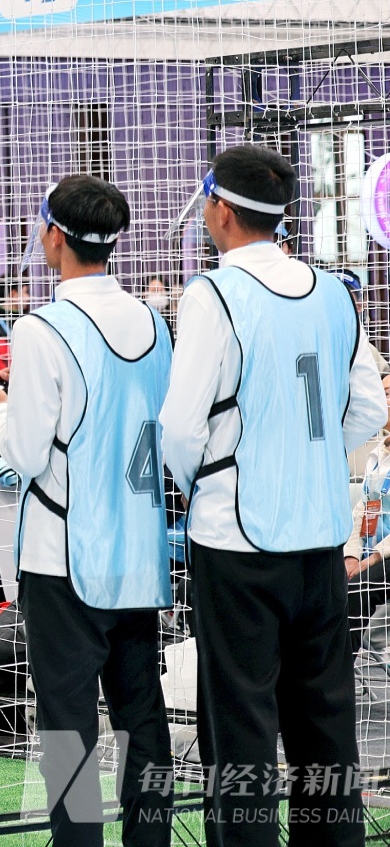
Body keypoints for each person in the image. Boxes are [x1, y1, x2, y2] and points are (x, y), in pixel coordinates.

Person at [159, 144, 387, 844]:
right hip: (319, 538)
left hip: (237, 538)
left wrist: (207, 484)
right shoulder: (333, 293)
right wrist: (305, 457)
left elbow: (180, 427)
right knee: (325, 723)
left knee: (242, 727)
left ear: (220, 211)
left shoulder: (212, 294)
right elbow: (367, 409)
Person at [0, 176, 174, 847]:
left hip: (64, 556)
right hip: (137, 551)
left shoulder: (40, 327)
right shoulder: (152, 322)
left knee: (67, 727)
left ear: (53, 235)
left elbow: (27, 453)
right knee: (143, 719)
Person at [345, 378, 390, 655]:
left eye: (388, 394)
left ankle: (342, 671)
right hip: (373, 554)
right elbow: (363, 509)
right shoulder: (378, 454)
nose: (382, 401)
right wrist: (351, 555)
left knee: (355, 591)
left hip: (385, 555)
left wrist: (372, 558)